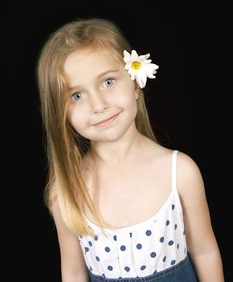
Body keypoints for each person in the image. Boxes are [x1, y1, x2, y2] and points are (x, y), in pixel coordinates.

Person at [36, 17, 224, 282]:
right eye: (77, 95)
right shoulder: (67, 190)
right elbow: (74, 272)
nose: (98, 104)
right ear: (60, 112)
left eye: (108, 82)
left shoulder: (180, 172)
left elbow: (204, 251)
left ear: (135, 82)